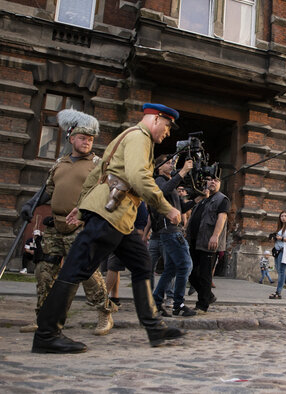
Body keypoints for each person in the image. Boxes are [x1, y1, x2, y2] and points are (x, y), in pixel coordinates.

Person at [30, 103, 184, 354]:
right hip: (110, 215)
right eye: (167, 127)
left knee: (142, 264)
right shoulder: (140, 138)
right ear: (156, 119)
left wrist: (80, 209)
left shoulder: (124, 136)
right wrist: (166, 208)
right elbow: (138, 176)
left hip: (117, 217)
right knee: (75, 268)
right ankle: (47, 334)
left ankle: (154, 326)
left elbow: (96, 175)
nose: (166, 133)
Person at [19, 109, 117, 336]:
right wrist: (30, 205)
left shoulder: (99, 164)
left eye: (90, 139)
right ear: (71, 138)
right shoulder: (59, 164)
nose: (87, 142)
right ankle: (43, 318)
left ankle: (104, 313)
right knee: (44, 272)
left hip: (81, 227)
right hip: (55, 227)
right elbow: (47, 191)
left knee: (87, 273)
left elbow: (107, 194)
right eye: (83, 138)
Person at [151, 155, 197, 317]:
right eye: (168, 163)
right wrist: (183, 171)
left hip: (172, 231)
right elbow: (163, 191)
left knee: (170, 269)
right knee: (185, 265)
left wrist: (196, 199)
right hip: (170, 231)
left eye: (173, 163)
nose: (172, 165)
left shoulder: (170, 182)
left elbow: (181, 209)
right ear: (159, 167)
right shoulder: (158, 181)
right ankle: (178, 304)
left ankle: (157, 300)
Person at [187, 173, 229, 312]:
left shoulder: (222, 199)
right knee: (191, 273)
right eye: (210, 179)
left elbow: (221, 218)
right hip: (195, 241)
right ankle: (208, 295)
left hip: (208, 242)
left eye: (216, 180)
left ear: (220, 183)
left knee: (204, 275)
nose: (213, 182)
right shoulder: (203, 199)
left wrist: (215, 236)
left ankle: (202, 305)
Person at [268, 211, 286, 299]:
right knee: (280, 271)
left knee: (281, 272)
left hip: (284, 251)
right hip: (277, 251)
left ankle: (278, 293)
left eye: (285, 216)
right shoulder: (281, 227)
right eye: (282, 216)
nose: (283, 217)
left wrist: (282, 238)